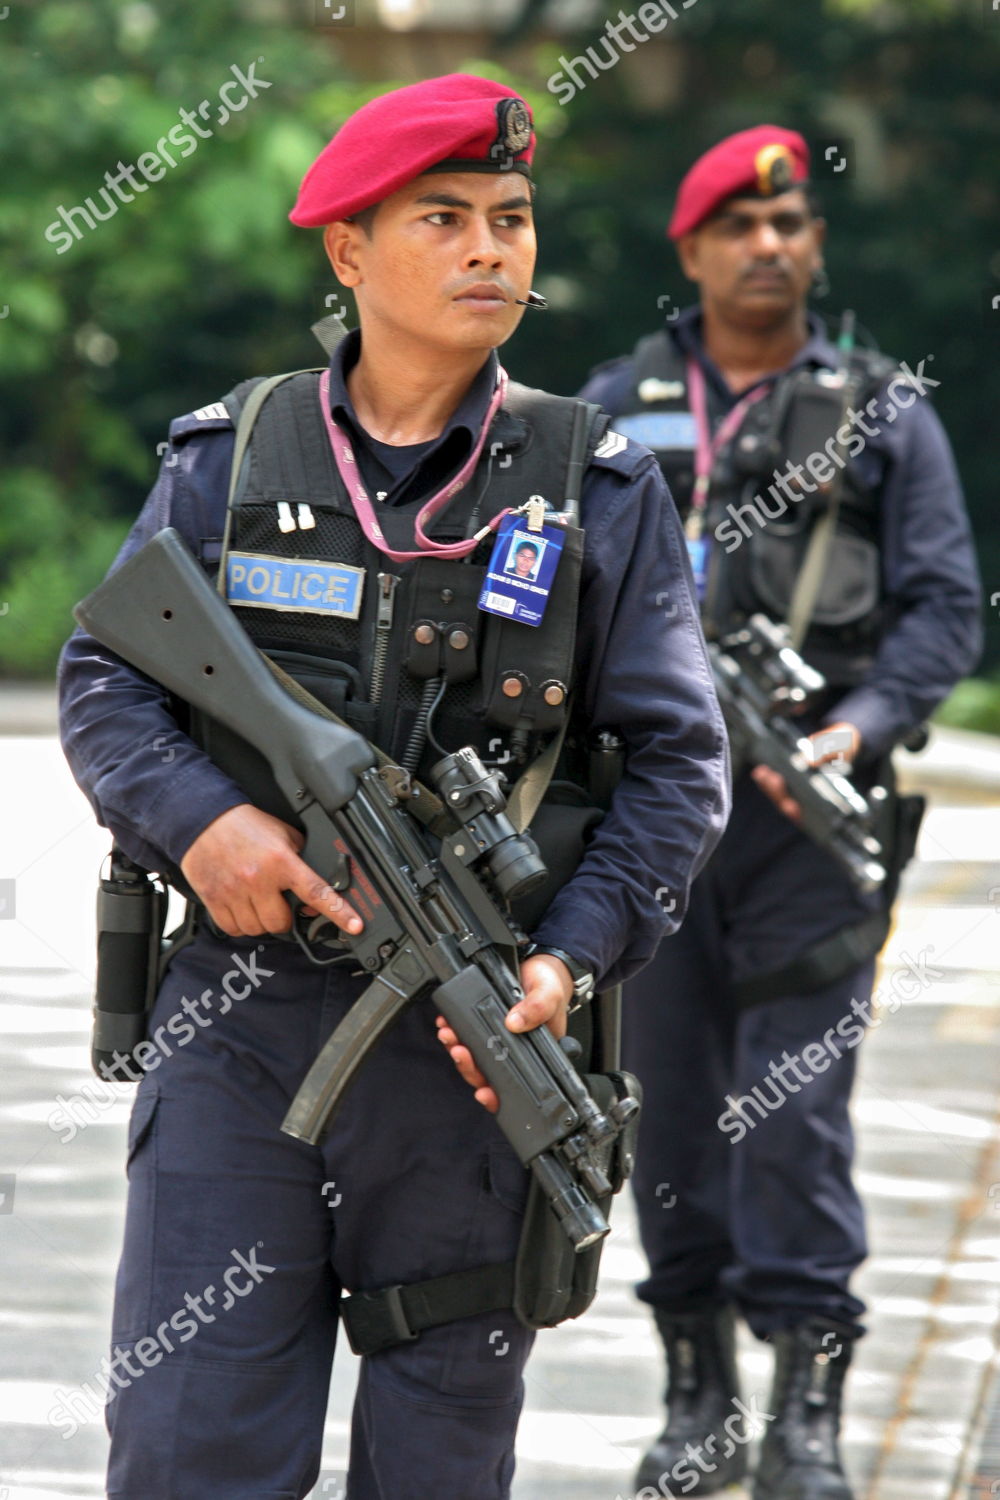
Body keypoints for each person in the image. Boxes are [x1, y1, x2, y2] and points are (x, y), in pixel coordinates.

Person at [58, 74, 729, 1500]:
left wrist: (569, 959)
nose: (493, 249)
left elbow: (679, 767)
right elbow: (108, 682)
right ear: (350, 255)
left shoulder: (594, 489)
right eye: (446, 218)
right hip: (245, 1031)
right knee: (189, 1452)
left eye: (513, 219)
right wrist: (205, 822)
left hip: (477, 1065)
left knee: (438, 1467)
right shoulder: (228, 460)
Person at [578, 125, 982, 1500]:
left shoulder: (880, 407)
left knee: (793, 1121)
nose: (770, 246)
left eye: (792, 224)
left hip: (811, 829)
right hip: (649, 831)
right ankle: (701, 1403)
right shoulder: (613, 404)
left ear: (814, 244)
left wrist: (852, 729)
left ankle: (807, 1415)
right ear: (689, 252)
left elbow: (944, 607)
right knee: (674, 1116)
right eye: (740, 229)